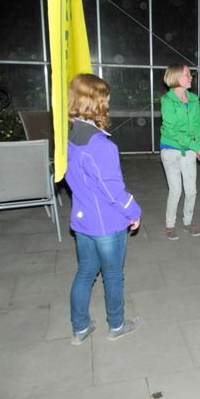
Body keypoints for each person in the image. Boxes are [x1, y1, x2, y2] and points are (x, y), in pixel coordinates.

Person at [66, 73, 142, 345]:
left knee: (85, 272)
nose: (108, 103)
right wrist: (134, 211)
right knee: (113, 276)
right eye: (105, 99)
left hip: (82, 220)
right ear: (97, 102)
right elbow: (113, 192)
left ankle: (80, 328)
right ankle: (117, 325)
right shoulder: (100, 145)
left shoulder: (69, 138)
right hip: (106, 224)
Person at [160, 64, 200, 241]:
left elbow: (197, 125)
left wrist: (199, 147)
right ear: (176, 77)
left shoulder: (194, 99)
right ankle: (170, 225)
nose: (191, 77)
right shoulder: (167, 101)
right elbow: (172, 130)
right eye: (187, 74)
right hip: (170, 149)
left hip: (190, 149)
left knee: (191, 191)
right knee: (176, 190)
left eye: (190, 74)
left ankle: (187, 222)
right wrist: (196, 147)